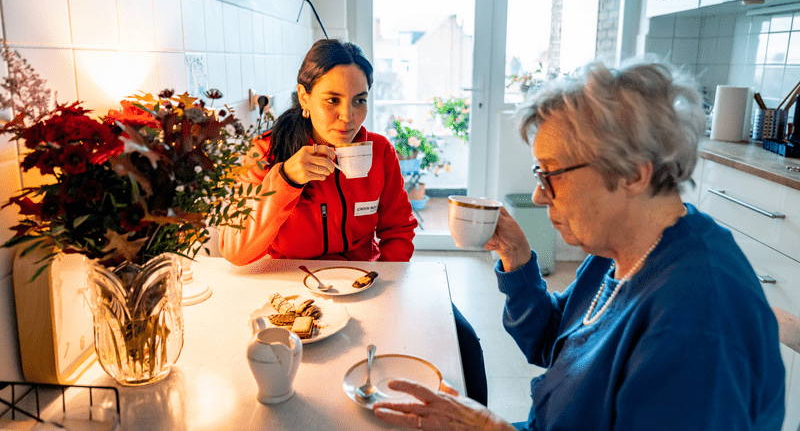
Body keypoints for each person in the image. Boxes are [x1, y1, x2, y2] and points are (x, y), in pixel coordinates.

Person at [372, 60, 786, 430]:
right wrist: (517, 258)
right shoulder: (623, 249)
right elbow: (556, 338)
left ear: (633, 175)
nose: (537, 195)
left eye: (551, 173)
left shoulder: (696, 321)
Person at [219, 38, 487, 404]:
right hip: (293, 292)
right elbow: (236, 251)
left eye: (359, 100)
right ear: (304, 97)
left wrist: (381, 283)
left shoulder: (379, 151)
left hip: (366, 284)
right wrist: (287, 179)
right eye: (333, 100)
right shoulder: (265, 155)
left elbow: (399, 229)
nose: (348, 117)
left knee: (463, 340)